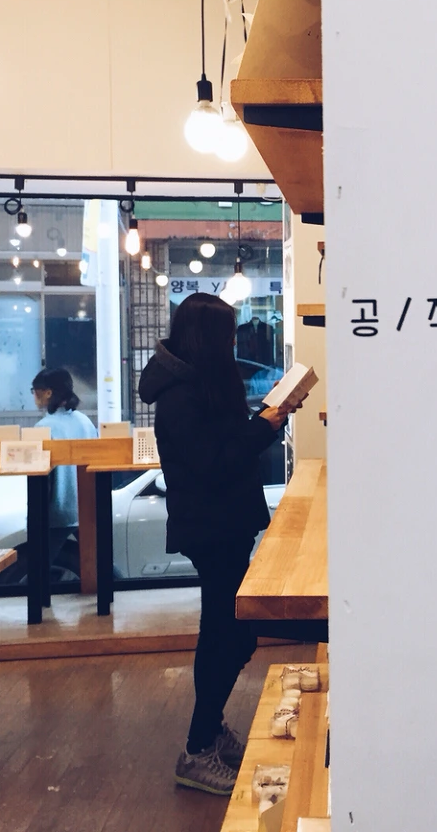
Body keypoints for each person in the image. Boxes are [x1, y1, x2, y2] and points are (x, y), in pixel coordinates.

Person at [137, 293, 302, 795]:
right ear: (208, 338)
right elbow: (215, 464)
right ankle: (197, 748)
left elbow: (225, 443)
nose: (235, 342)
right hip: (211, 527)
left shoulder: (199, 382)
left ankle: (210, 731)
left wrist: (268, 416)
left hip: (223, 523)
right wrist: (263, 428)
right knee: (226, 635)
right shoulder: (179, 396)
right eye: (228, 334)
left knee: (230, 632)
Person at [31, 367, 97, 575]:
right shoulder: (85, 422)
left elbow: (39, 471)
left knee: (38, 567)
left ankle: (41, 595)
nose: (34, 396)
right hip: (86, 505)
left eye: (35, 391)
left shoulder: (44, 427)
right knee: (96, 562)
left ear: (48, 392)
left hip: (58, 508)